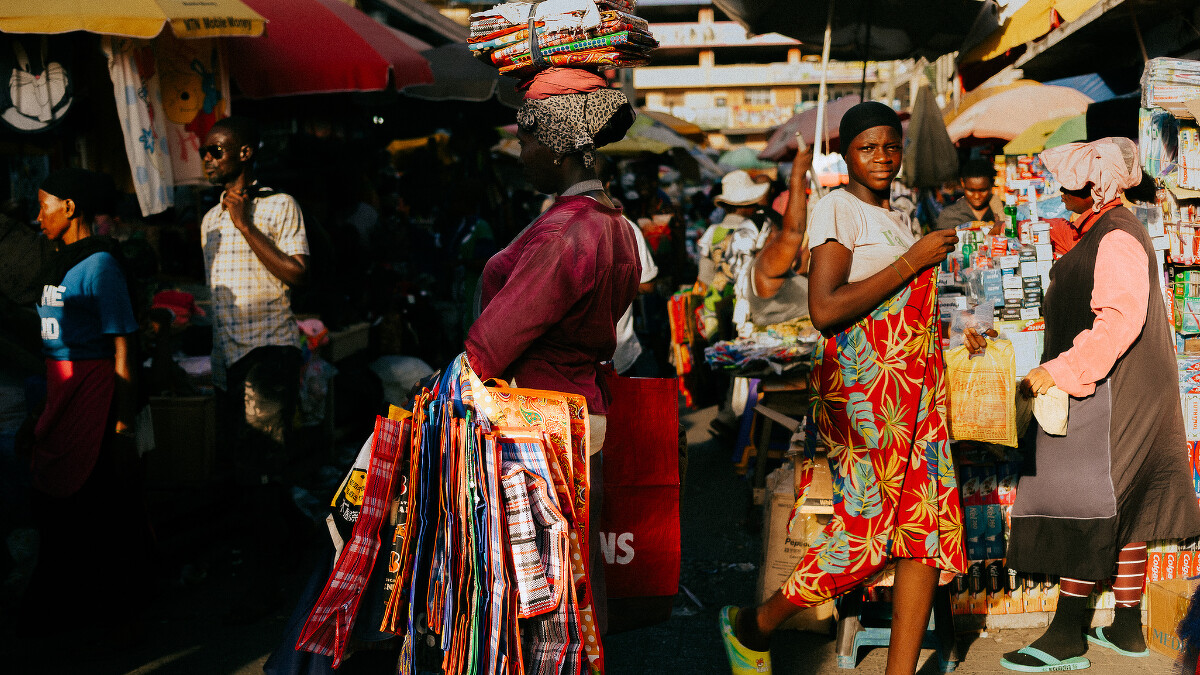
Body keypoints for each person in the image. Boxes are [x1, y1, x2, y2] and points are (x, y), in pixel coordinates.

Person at [721, 102, 974, 675]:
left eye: (890, 146)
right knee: (865, 533)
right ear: (846, 154)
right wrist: (913, 261)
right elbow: (824, 309)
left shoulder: (895, 213)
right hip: (866, 400)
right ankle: (756, 622)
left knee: (924, 531)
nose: (882, 157)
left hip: (915, 393)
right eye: (868, 147)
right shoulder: (837, 208)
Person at [999, 137, 1200, 672]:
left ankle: (1066, 635)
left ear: (1096, 186)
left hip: (1114, 385)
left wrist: (1059, 371)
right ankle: (1128, 626)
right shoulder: (1105, 229)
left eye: (1069, 187)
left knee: (1086, 498)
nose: (1060, 194)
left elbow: (1118, 319)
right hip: (1132, 383)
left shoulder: (1115, 237)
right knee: (1128, 500)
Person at [464, 68, 641, 644]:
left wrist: (449, 389)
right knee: (574, 562)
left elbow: (497, 338)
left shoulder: (566, 231)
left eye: (526, 139)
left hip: (539, 416)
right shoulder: (612, 224)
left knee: (539, 572)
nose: (522, 153)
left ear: (559, 147)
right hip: (581, 408)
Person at [19, 168, 145, 643]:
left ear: (70, 207)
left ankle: (95, 625)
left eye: (44, 204)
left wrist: (122, 424)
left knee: (85, 514)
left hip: (92, 400)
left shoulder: (100, 266)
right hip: (59, 398)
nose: (38, 216)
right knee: (57, 512)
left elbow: (123, 347)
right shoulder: (60, 262)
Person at [200, 115, 310, 619]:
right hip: (232, 359)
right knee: (247, 471)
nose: (208, 159)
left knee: (262, 470)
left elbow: (295, 273)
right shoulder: (208, 222)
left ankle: (268, 583)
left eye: (216, 151)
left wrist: (245, 223)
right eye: (205, 151)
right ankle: (287, 560)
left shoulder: (278, 206)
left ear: (244, 153)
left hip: (269, 352)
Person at [746, 145, 814, 327]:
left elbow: (801, 269)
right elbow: (793, 232)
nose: (780, 238)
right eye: (777, 232)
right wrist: (798, 175)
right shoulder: (765, 265)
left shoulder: (779, 268)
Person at [936, 159, 1000, 233]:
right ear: (963, 183)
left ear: (992, 184)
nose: (976, 196)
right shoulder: (949, 216)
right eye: (971, 191)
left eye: (982, 191)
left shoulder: (1004, 212)